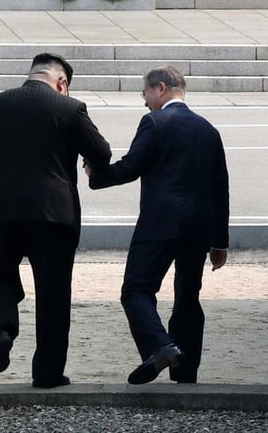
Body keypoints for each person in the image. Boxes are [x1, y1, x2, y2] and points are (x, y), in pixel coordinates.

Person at [0, 52, 111, 388]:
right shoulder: (70, 109)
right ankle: (47, 373)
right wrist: (89, 164)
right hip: (54, 216)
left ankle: (2, 327)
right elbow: (101, 152)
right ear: (62, 82)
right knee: (54, 294)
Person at [87, 65, 229, 385]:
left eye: (145, 93)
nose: (145, 101)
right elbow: (221, 187)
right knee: (188, 297)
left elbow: (132, 166)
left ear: (160, 88)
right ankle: (185, 372)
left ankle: (160, 346)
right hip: (198, 227)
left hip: (159, 222)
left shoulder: (154, 121)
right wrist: (220, 241)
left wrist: (97, 175)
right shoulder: (209, 129)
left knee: (137, 288)